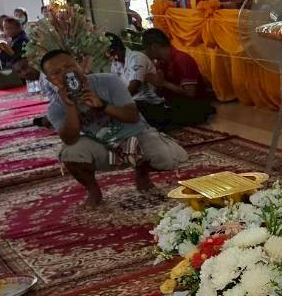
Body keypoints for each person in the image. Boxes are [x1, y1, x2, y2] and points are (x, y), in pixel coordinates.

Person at [40, 48, 188, 207]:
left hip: (135, 137)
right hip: (102, 145)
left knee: (167, 158)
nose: (65, 73)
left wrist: (102, 105)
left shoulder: (108, 81)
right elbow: (69, 139)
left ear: (79, 65)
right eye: (56, 72)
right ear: (50, 80)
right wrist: (70, 106)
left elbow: (133, 117)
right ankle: (94, 191)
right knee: (70, 154)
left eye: (69, 66)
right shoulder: (54, 107)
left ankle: (142, 172)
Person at [138, 29, 216, 128]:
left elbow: (190, 93)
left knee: (151, 120)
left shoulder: (182, 59)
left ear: (154, 47)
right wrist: (157, 85)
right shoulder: (161, 63)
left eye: (146, 49)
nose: (145, 53)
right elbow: (161, 93)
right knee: (140, 108)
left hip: (193, 108)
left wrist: (164, 83)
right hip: (174, 106)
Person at [107, 32, 162, 109]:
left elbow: (134, 87)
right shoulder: (115, 64)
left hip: (148, 103)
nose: (110, 57)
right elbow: (117, 87)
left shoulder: (137, 57)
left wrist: (114, 103)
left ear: (118, 48)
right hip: (133, 103)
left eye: (111, 53)